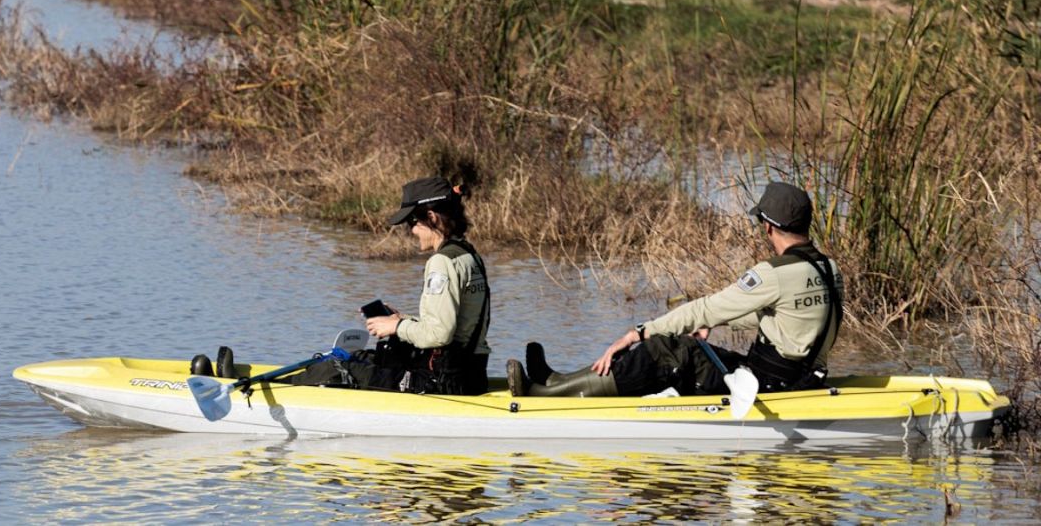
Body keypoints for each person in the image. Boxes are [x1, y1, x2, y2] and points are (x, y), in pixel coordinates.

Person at [508, 182, 842, 398]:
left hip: (764, 386)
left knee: (667, 351)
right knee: (683, 348)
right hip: (799, 380)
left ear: (768, 226)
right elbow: (792, 321)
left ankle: (544, 396)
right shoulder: (829, 268)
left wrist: (637, 333)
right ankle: (556, 380)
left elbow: (703, 309)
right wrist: (724, 323)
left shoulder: (773, 273)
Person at [290, 176, 493, 395]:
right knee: (363, 358)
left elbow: (440, 334)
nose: (412, 231)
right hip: (472, 375)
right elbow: (455, 328)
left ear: (432, 217)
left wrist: (395, 327)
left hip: (442, 382)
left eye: (411, 223)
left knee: (340, 368)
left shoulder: (441, 262)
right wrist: (401, 319)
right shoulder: (469, 255)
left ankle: (281, 390)